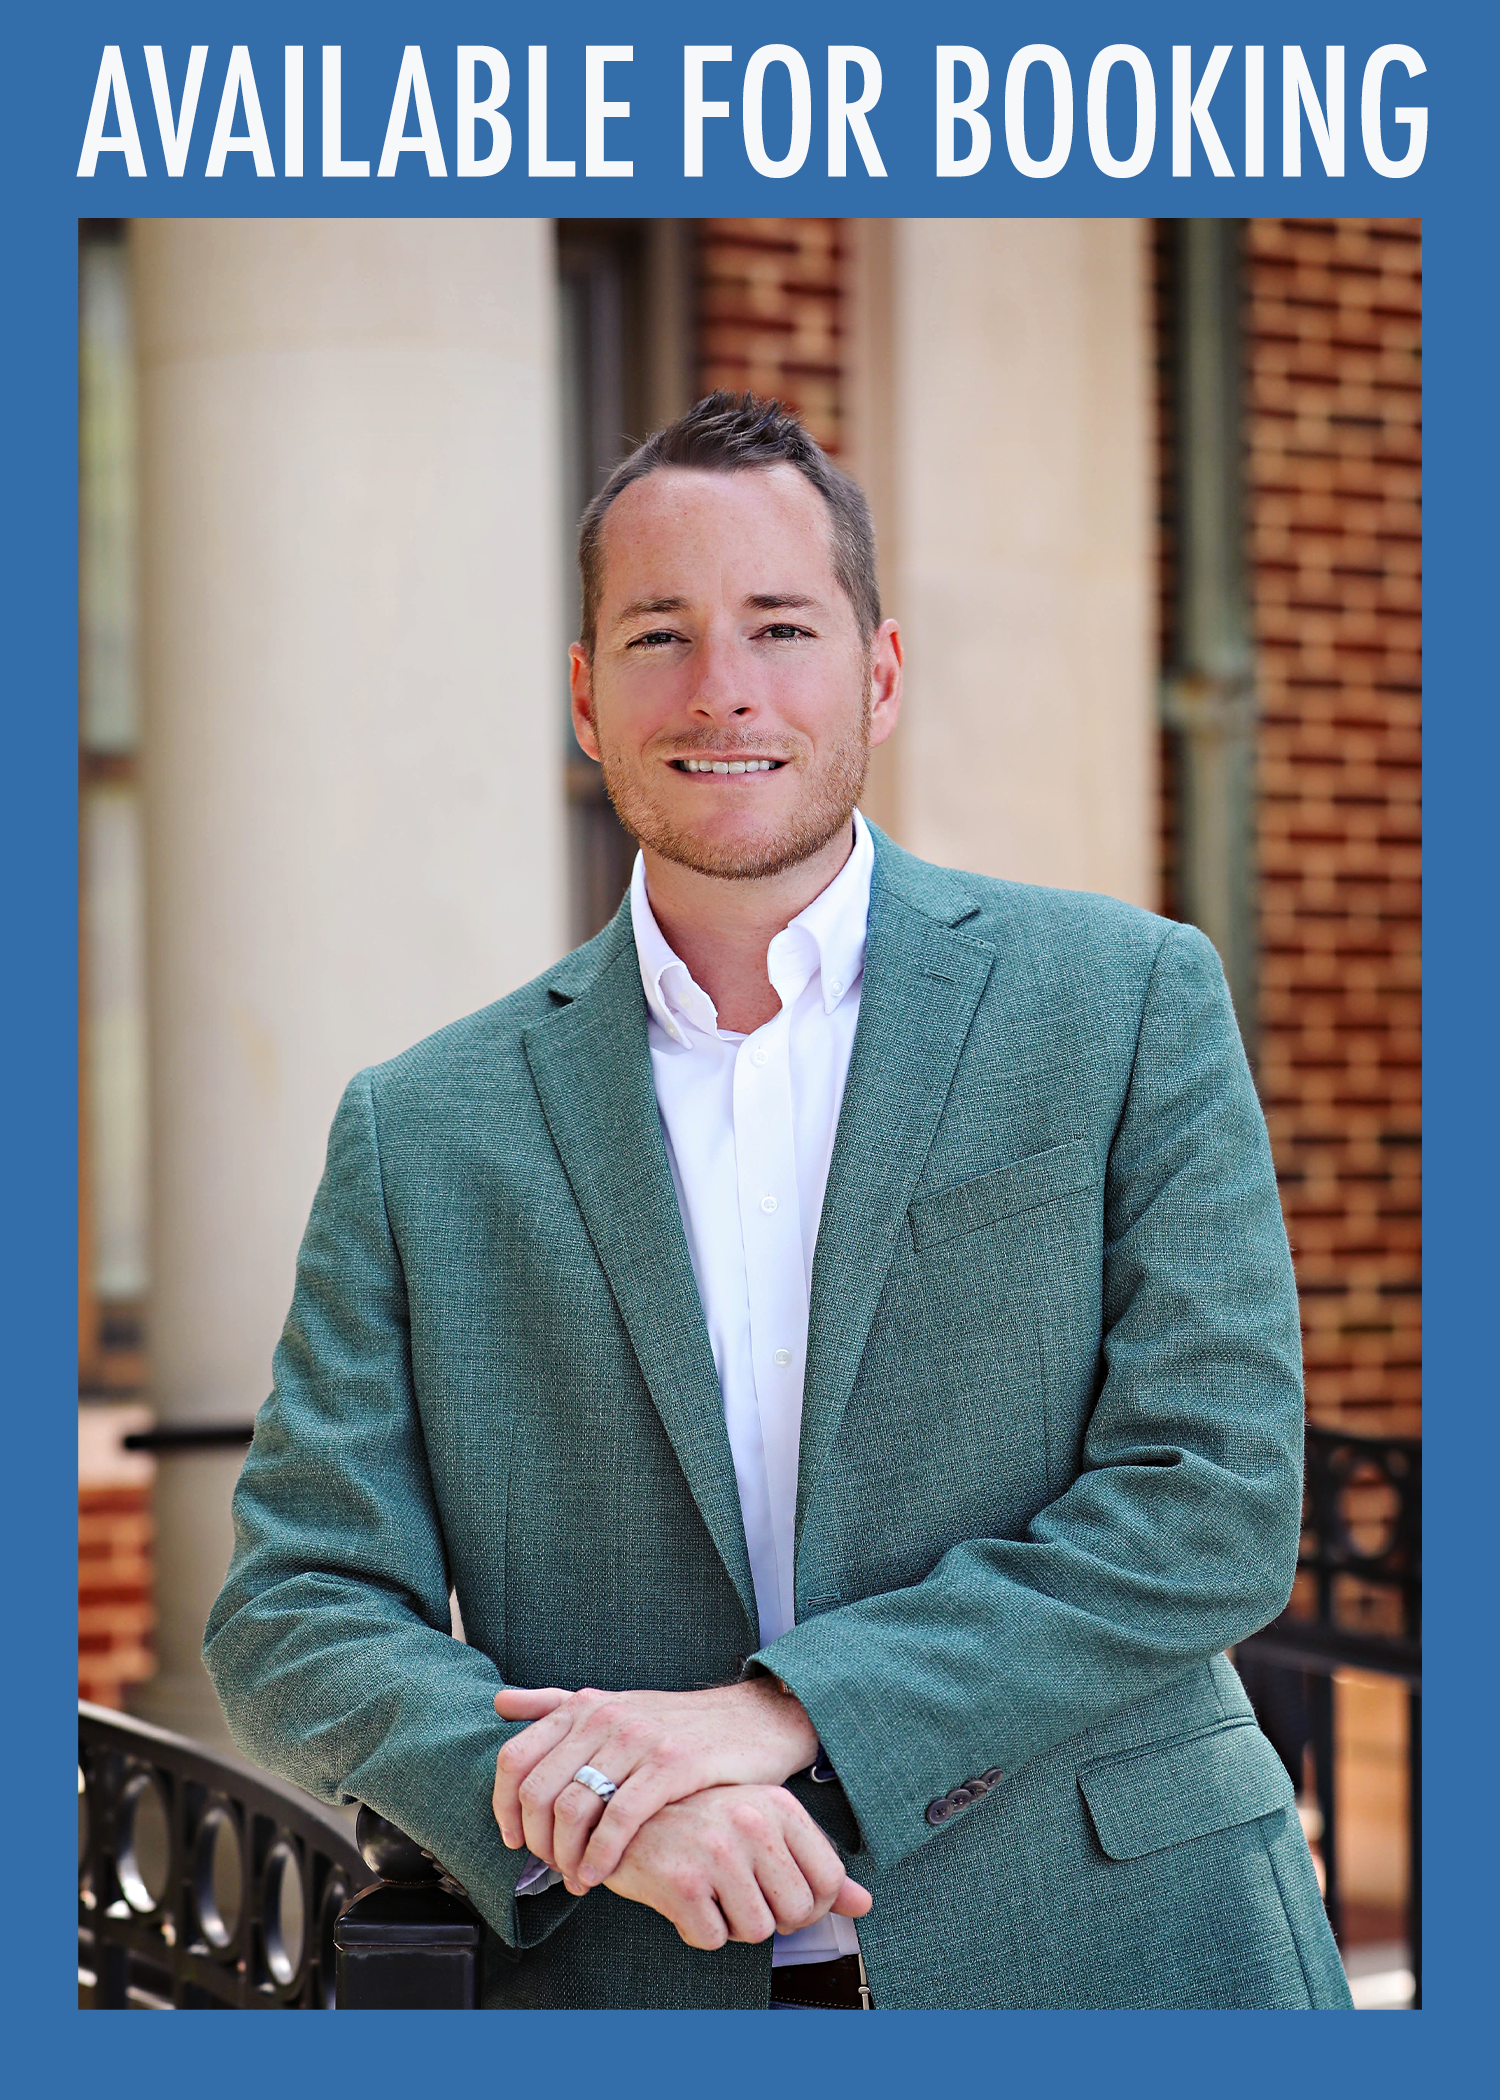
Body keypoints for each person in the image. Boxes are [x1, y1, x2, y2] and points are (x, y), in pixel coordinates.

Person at [205, 391, 1351, 2011]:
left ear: (877, 675)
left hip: (1115, 1950)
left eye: (781, 627)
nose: (724, 688)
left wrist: (781, 1711)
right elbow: (297, 1610)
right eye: (660, 634)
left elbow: (1210, 1500)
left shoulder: (1124, 1002)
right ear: (588, 700)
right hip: (634, 1971)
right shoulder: (425, 1128)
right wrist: (603, 1810)